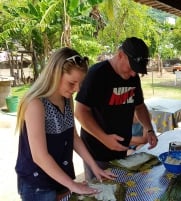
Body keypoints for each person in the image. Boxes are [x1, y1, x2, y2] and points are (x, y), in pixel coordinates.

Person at [15, 47, 116, 201]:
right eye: (72, 83)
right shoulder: (36, 104)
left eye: (79, 84)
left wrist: (95, 167)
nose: (76, 89)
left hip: (60, 177)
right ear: (55, 74)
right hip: (38, 184)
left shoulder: (66, 100)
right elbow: (39, 156)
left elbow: (74, 137)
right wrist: (73, 185)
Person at [74, 37, 158, 180]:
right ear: (120, 55)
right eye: (131, 68)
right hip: (97, 152)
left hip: (121, 150)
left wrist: (149, 128)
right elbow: (80, 112)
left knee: (120, 188)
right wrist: (105, 138)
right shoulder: (97, 74)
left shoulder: (133, 77)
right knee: (101, 193)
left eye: (136, 71)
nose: (133, 74)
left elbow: (139, 106)